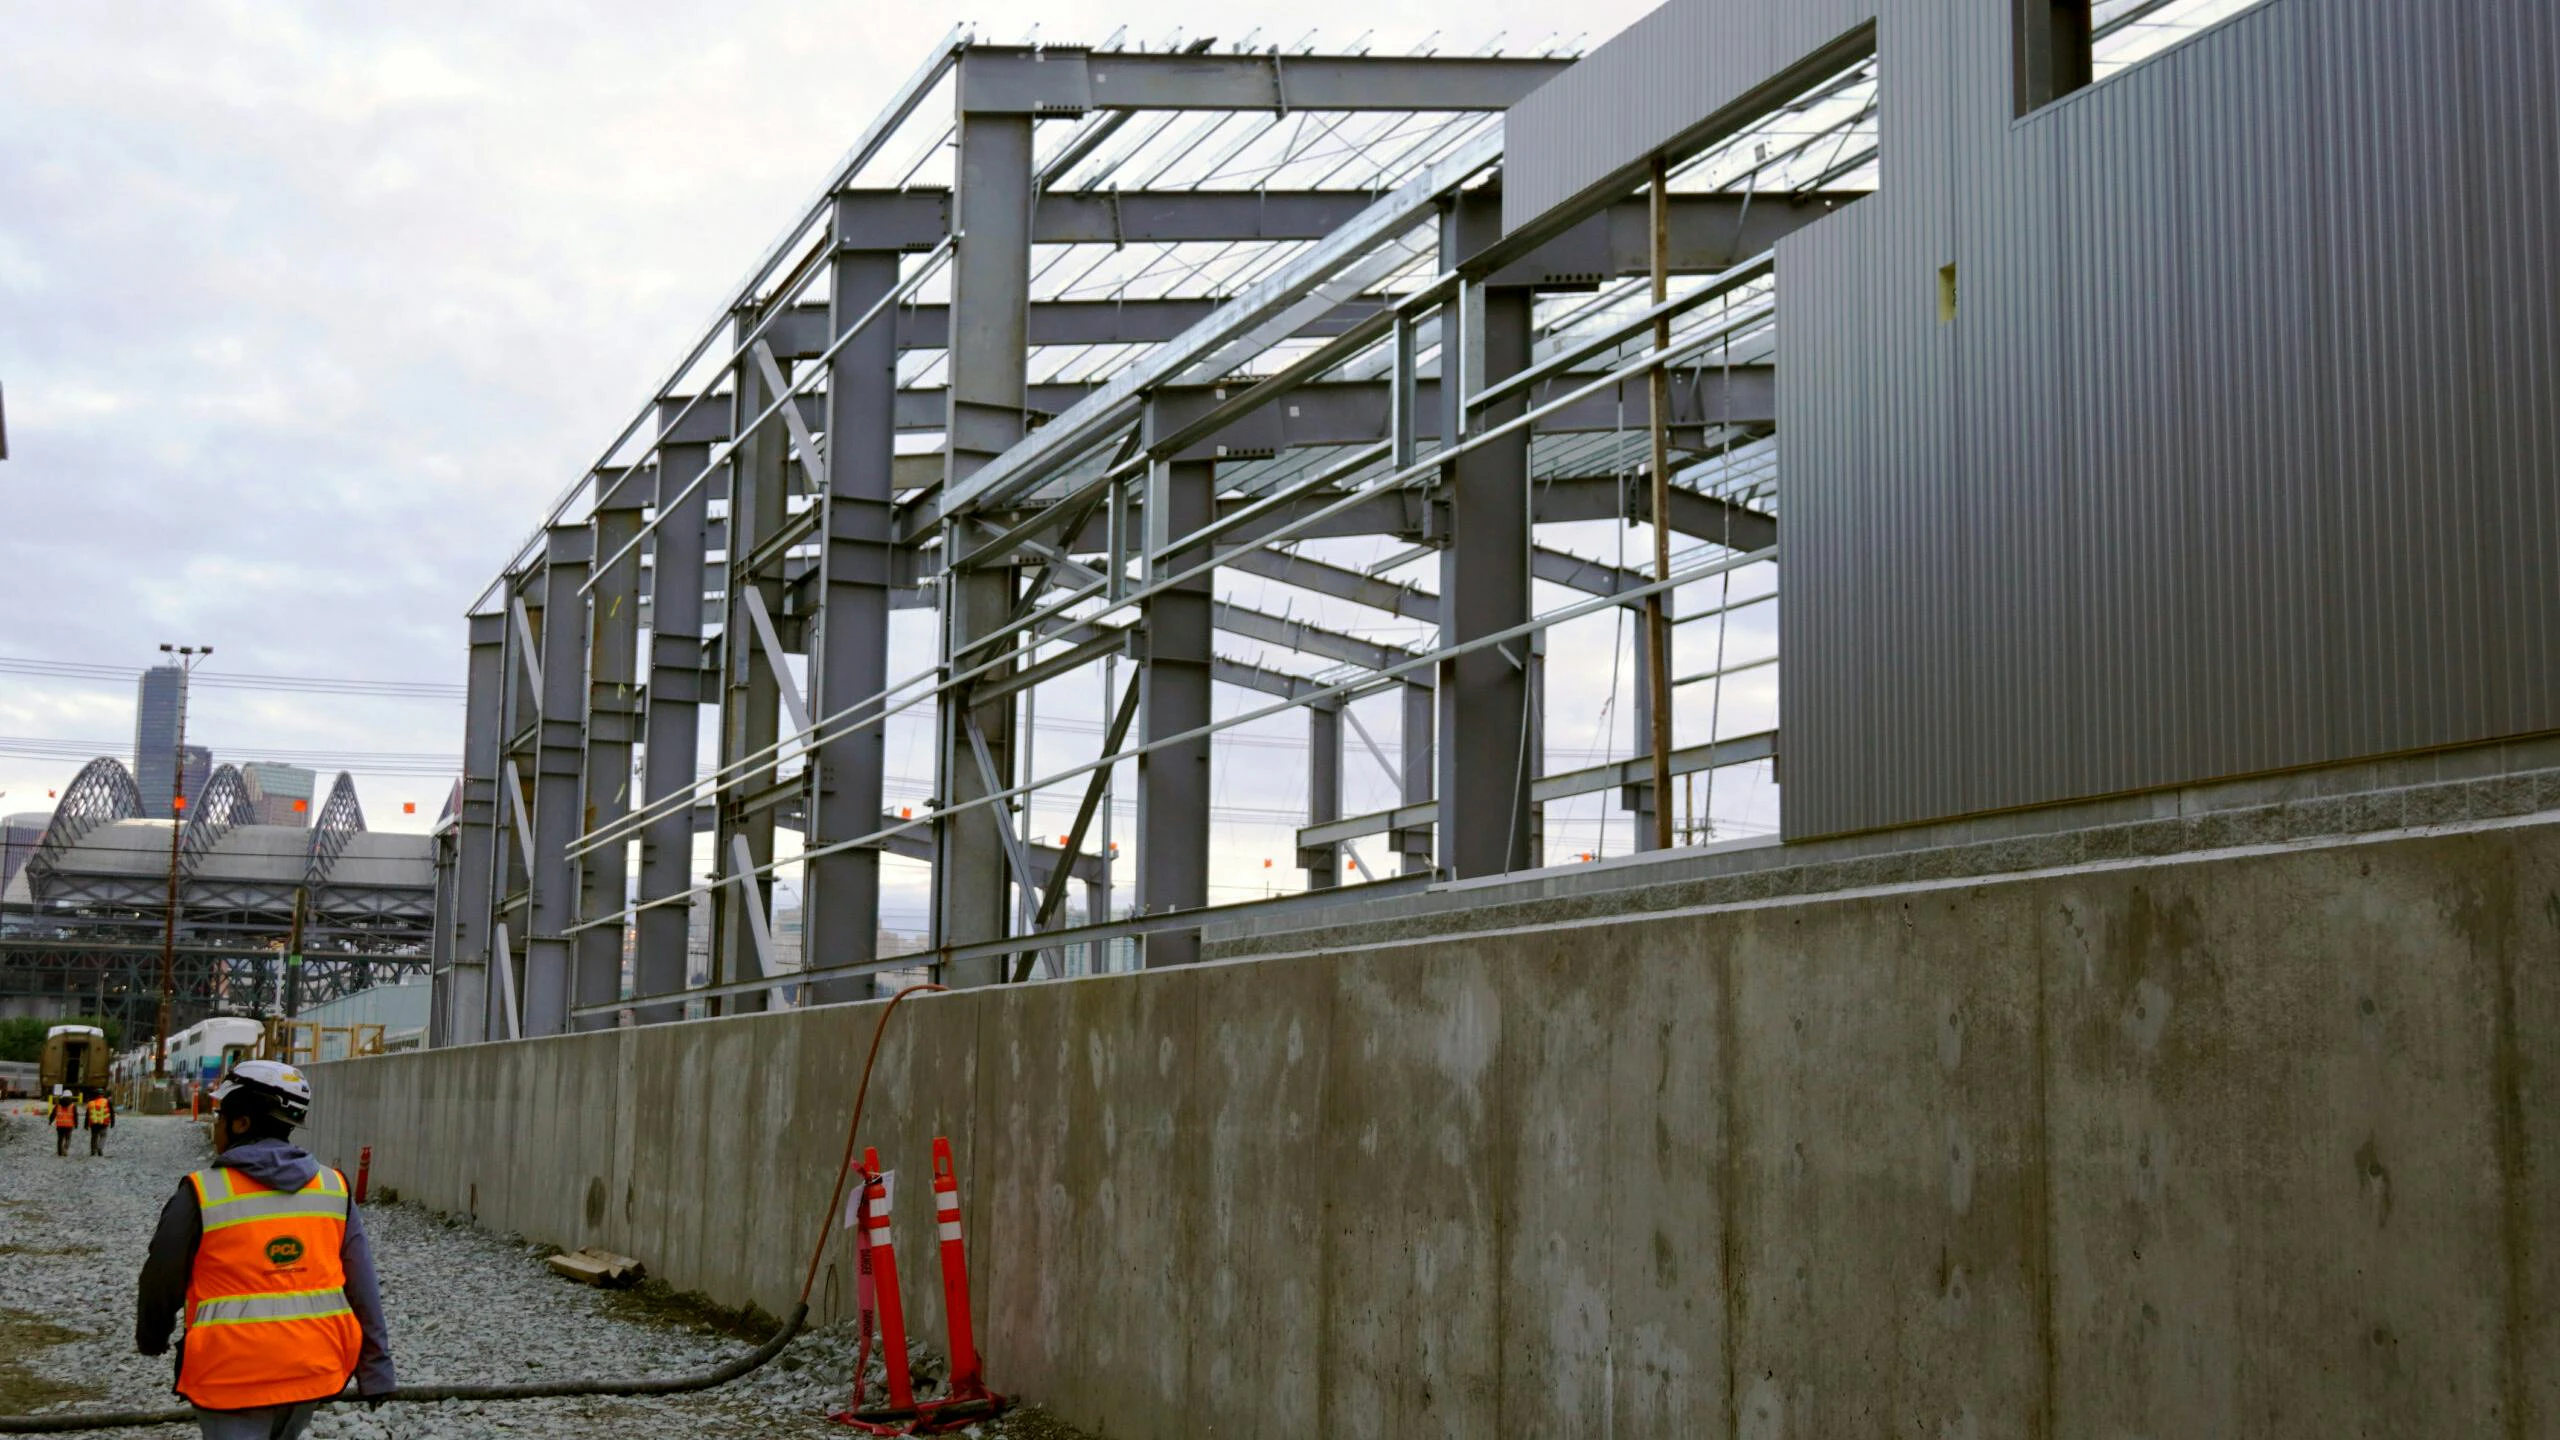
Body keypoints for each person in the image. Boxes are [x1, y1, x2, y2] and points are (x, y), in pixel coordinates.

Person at [135, 1060, 396, 1439]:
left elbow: (162, 1277)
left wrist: (152, 1337)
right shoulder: (332, 1187)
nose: (216, 1126)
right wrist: (376, 1370)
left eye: (221, 1116)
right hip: (313, 1370)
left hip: (232, 1376)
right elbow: (363, 1286)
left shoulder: (202, 1192)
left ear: (241, 1123)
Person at [50, 1086, 77, 1157]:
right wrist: (76, 1124)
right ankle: (65, 1148)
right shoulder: (73, 1106)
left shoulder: (58, 1105)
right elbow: (75, 1116)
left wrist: (50, 1121)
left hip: (60, 1125)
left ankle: (59, 1152)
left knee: (60, 1139)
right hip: (69, 1125)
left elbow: (53, 1114)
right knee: (68, 1138)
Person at [86, 1088, 114, 1156]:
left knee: (94, 1137)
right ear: (102, 1094)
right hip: (103, 1123)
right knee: (103, 1136)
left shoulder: (90, 1103)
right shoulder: (107, 1101)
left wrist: (86, 1124)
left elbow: (87, 1115)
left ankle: (93, 1150)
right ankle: (100, 1148)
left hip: (94, 1123)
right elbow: (112, 1112)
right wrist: (113, 1122)